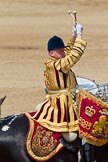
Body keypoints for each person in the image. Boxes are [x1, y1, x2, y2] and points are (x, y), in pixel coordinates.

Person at [34, 23, 87, 142]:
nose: (63, 53)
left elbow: (68, 50)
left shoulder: (56, 58)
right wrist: (79, 36)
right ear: (51, 53)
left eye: (62, 51)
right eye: (60, 51)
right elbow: (72, 57)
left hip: (67, 98)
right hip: (61, 102)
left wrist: (73, 37)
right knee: (72, 136)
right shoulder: (53, 64)